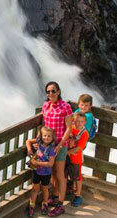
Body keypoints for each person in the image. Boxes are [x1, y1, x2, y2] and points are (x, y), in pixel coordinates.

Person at [41, 81, 72, 217]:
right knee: (52, 172)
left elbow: (69, 128)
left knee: (60, 174)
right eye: (48, 92)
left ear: (58, 92)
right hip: (48, 146)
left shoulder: (65, 107)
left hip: (60, 145)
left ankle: (60, 204)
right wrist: (38, 140)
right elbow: (44, 126)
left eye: (53, 91)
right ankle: (54, 196)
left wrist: (60, 146)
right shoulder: (46, 106)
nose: (50, 94)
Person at [25, 126, 57, 217]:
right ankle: (32, 206)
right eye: (45, 136)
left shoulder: (51, 149)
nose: (46, 138)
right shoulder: (39, 142)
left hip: (46, 173)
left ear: (52, 137)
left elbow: (51, 163)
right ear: (41, 136)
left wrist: (38, 163)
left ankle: (45, 204)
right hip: (36, 171)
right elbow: (28, 141)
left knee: (44, 189)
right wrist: (30, 149)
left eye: (49, 136)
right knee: (35, 189)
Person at [66, 112, 89, 207]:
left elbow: (78, 148)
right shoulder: (71, 128)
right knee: (66, 174)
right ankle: (69, 189)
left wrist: (66, 153)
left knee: (77, 177)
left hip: (76, 158)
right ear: (73, 120)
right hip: (67, 157)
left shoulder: (84, 134)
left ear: (85, 122)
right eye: (77, 121)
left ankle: (78, 195)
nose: (79, 123)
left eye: (82, 121)